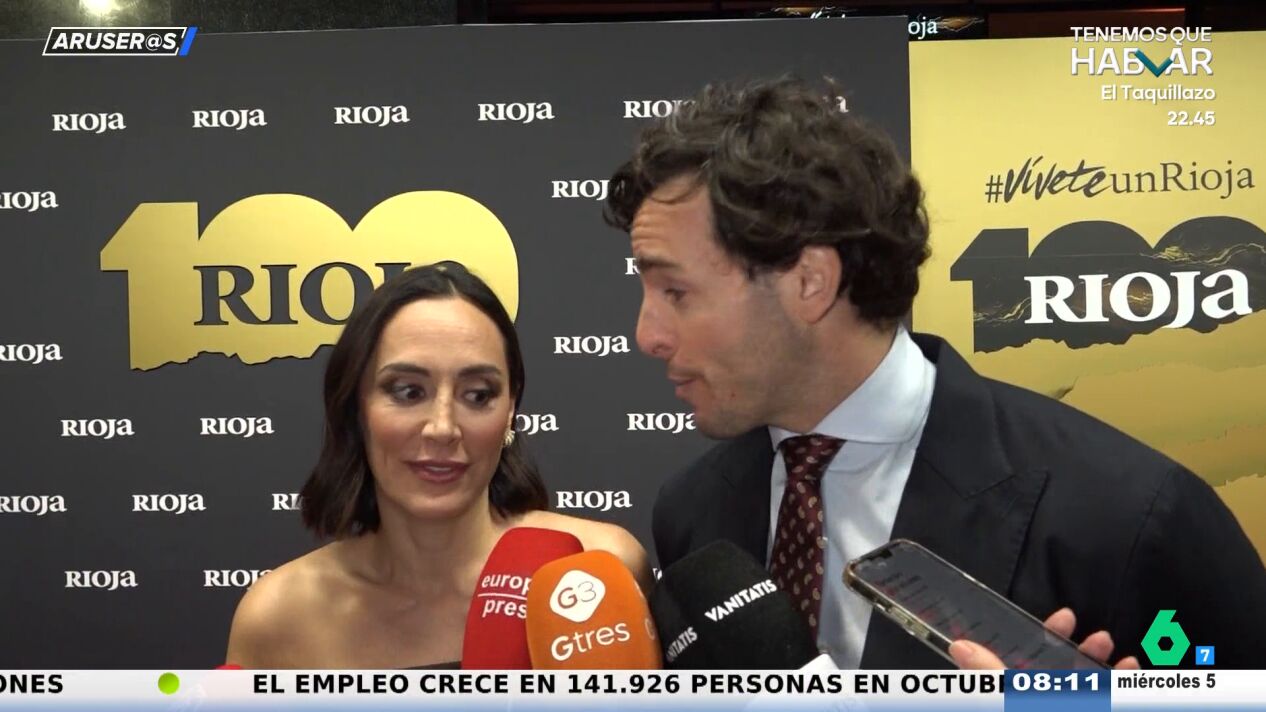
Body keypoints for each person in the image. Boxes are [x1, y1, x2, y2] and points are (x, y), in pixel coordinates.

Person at [605, 77, 1266, 669]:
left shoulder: (1131, 517)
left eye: (676, 292)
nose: (646, 335)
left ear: (809, 282)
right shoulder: (694, 512)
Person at [225, 262, 652, 668]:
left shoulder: (599, 569)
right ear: (356, 407)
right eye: (409, 392)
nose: (442, 428)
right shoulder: (277, 617)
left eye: (478, 395)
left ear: (510, 411)